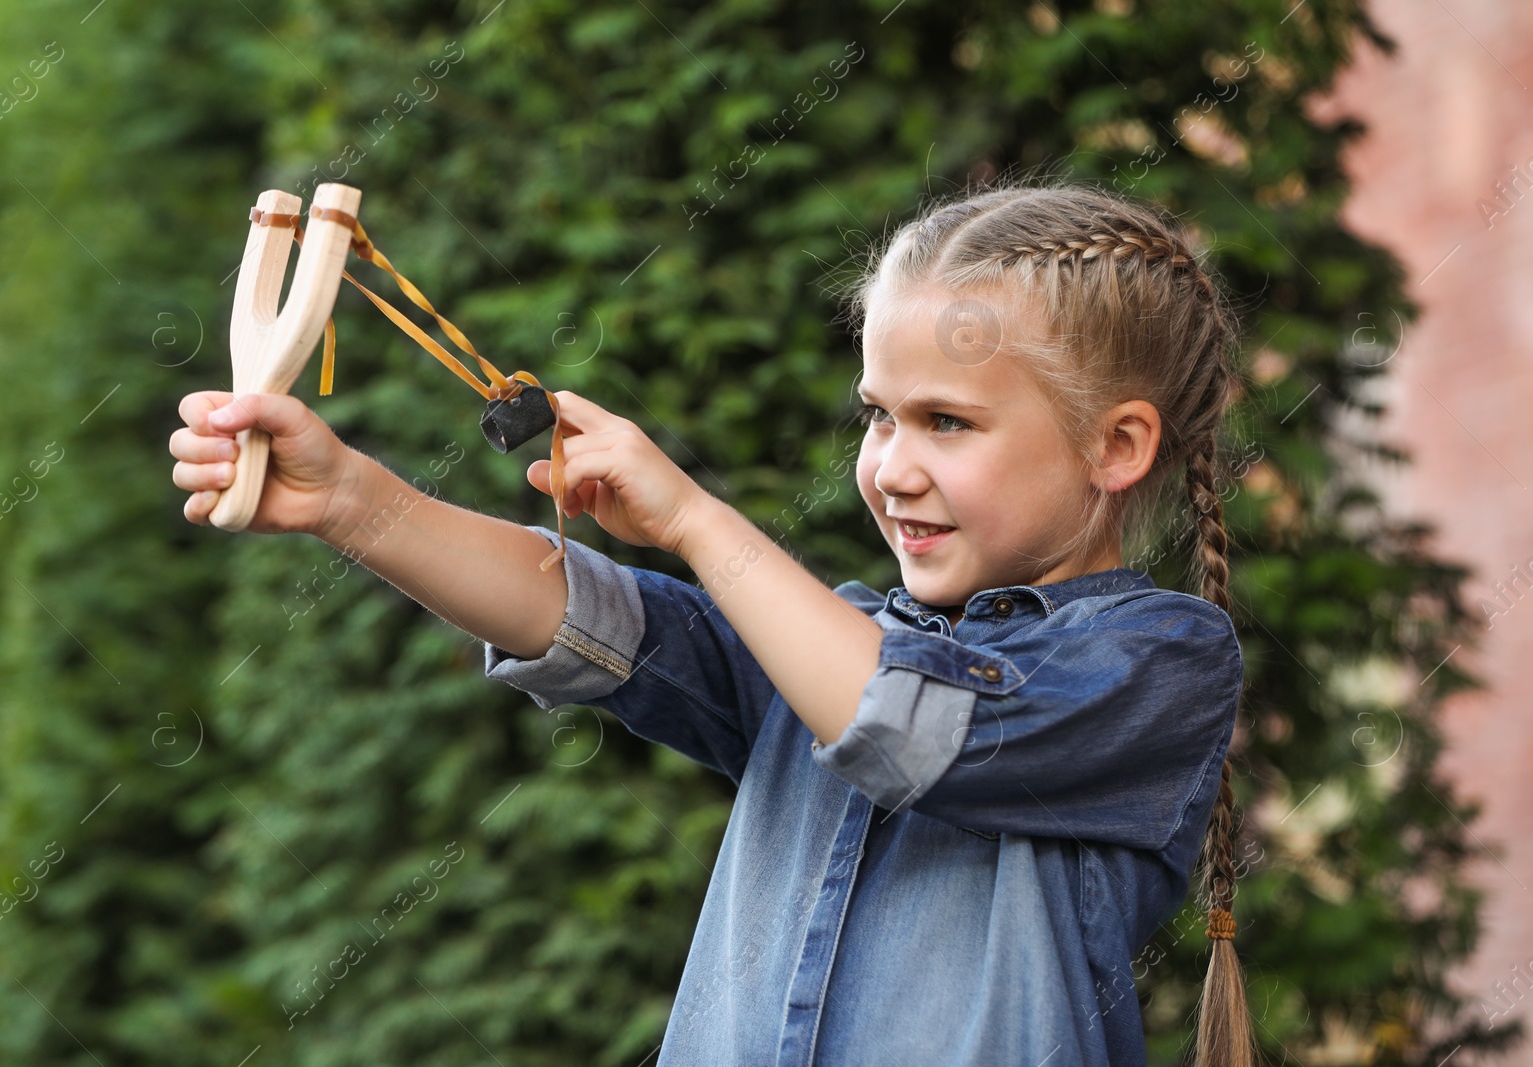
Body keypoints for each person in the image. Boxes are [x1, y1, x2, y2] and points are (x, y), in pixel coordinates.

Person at [170, 181, 1251, 1067]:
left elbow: (910, 725)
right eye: (879, 414)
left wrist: (693, 519)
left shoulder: (1157, 661)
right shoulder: (825, 638)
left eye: (947, 422)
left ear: (1117, 446)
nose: (891, 465)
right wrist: (356, 501)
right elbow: (588, 617)